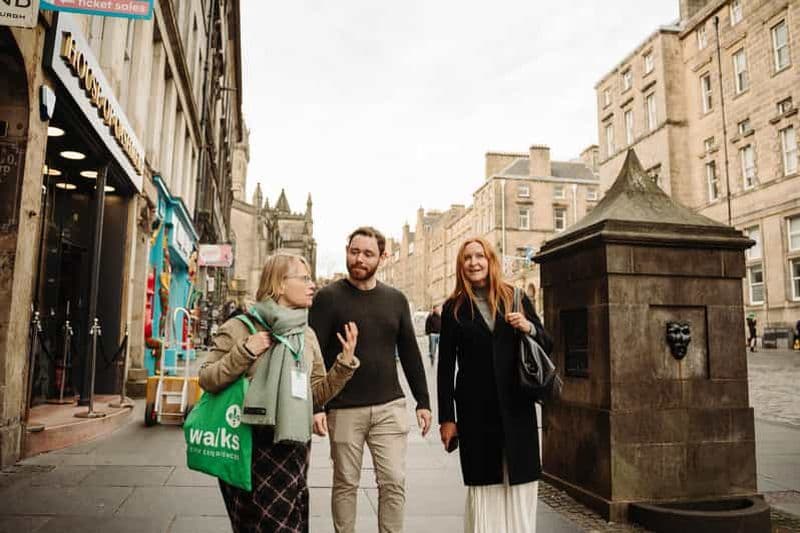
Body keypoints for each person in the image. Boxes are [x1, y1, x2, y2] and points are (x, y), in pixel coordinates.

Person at [198, 253, 361, 533]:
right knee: (254, 524)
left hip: (293, 446)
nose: (312, 285)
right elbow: (207, 378)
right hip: (248, 445)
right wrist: (245, 351)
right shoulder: (239, 327)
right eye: (304, 278)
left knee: (291, 522)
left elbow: (316, 394)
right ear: (280, 285)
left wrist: (344, 365)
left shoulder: (306, 335)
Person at [309, 226, 432, 533]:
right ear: (346, 250)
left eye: (368, 253)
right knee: (346, 483)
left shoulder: (396, 299)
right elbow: (314, 357)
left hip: (390, 406)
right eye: (354, 251)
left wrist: (423, 401)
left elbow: (410, 352)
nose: (359, 259)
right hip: (343, 408)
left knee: (393, 481)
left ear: (382, 257)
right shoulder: (327, 298)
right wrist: (317, 405)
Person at [437, 237, 552, 533]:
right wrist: (447, 419)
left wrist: (527, 327)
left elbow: (547, 343)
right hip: (475, 410)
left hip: (517, 407)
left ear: (490, 261)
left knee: (520, 482)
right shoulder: (453, 309)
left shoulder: (514, 296)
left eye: (480, 256)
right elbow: (446, 367)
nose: (474, 262)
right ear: (461, 266)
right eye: (467, 258)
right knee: (484, 484)